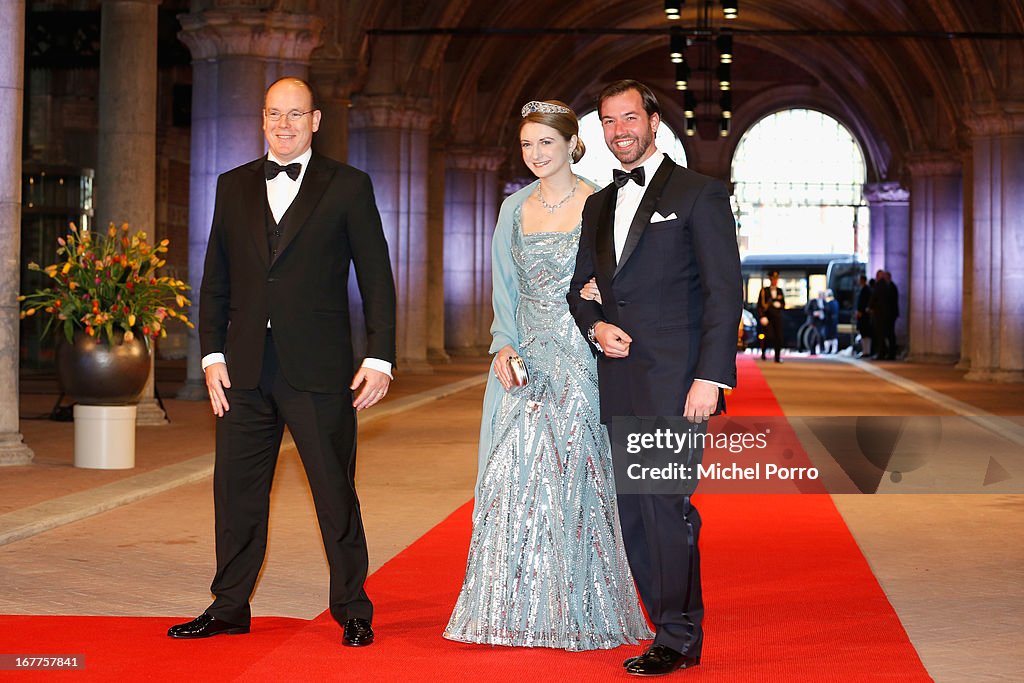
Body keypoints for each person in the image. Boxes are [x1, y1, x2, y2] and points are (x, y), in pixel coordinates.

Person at [167, 77, 396, 648]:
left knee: (334, 492)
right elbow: (215, 278)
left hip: (319, 370)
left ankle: (352, 607)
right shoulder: (232, 185)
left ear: (315, 120)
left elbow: (377, 279)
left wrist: (381, 357)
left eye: (296, 115)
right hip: (242, 369)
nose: (284, 125)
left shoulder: (348, 186)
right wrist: (212, 354)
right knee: (236, 493)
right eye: (274, 114)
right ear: (262, 119)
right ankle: (228, 607)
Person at [444, 100, 652, 650]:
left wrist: (604, 301)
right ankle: (511, 607)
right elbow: (503, 288)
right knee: (510, 480)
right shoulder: (513, 209)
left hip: (583, 358)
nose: (536, 154)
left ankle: (581, 608)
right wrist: (502, 344)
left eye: (547, 144)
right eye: (527, 145)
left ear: (570, 145)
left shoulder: (600, 203)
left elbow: (628, 276)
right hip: (526, 361)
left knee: (578, 480)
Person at [568, 80, 741, 676]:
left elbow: (723, 293)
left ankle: (677, 634)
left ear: (654, 121)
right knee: (635, 512)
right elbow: (578, 289)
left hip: (677, 381)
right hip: (618, 380)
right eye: (608, 122)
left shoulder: (698, 194)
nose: (619, 131)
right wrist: (595, 326)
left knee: (664, 506)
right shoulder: (596, 205)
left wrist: (710, 377)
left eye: (629, 118)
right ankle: (668, 620)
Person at [757, 269, 785, 362]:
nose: (775, 281)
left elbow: (783, 304)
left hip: (777, 317)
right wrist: (762, 316)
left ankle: (777, 357)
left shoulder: (780, 291)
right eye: (773, 279)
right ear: (770, 279)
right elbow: (760, 305)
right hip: (767, 317)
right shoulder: (764, 291)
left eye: (776, 279)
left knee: (779, 337)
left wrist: (780, 305)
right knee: (767, 336)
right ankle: (763, 354)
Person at [868, 269, 892, 359]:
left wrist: (869, 307)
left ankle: (881, 352)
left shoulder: (879, 285)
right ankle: (883, 351)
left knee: (880, 334)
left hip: (879, 314)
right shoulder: (886, 285)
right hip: (884, 313)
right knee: (883, 334)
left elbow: (874, 297)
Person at [855, 274, 872, 357]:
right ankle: (865, 351)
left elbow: (864, 303)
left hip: (864, 316)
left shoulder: (865, 290)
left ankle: (866, 351)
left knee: (865, 333)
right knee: (864, 334)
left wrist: (860, 311)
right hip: (863, 315)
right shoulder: (864, 289)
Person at [884, 270, 899, 359]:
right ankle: (890, 352)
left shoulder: (892, 287)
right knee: (889, 334)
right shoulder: (890, 286)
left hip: (891, 314)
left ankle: (892, 353)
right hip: (890, 314)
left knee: (891, 334)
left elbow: (891, 302)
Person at [804, 291, 825, 355]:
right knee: (818, 334)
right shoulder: (813, 301)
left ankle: (813, 350)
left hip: (821, 321)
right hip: (814, 321)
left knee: (815, 336)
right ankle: (821, 349)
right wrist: (814, 313)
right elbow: (807, 310)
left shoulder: (824, 302)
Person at [823, 289, 839, 354]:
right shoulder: (836, 302)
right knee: (834, 336)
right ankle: (833, 350)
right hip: (834, 321)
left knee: (828, 336)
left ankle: (828, 349)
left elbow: (827, 312)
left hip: (829, 321)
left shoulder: (829, 303)